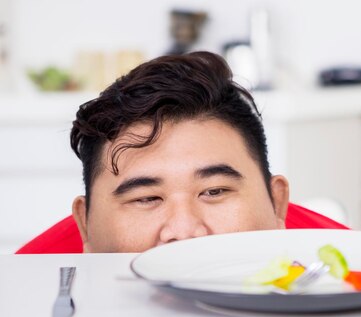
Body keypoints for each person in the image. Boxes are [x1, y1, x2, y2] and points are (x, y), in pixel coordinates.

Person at [20, 51, 342, 254]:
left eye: (214, 191)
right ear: (86, 225)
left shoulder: (351, 268)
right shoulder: (22, 299)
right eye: (147, 198)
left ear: (277, 205)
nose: (185, 232)